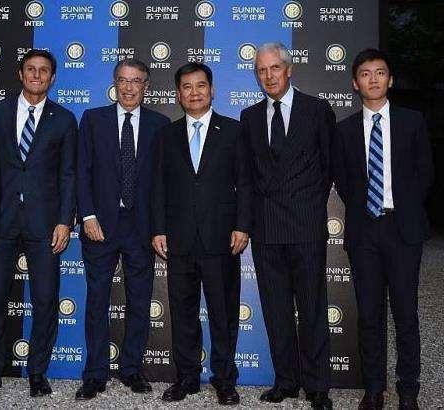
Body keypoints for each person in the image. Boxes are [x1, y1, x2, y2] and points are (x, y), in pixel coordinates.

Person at [332, 49, 433, 410]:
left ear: (390, 80)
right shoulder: (343, 130)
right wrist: (367, 208)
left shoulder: (412, 121)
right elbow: (344, 180)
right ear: (355, 83)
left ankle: (408, 390)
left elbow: (425, 173)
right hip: (364, 232)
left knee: (405, 313)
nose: (373, 79)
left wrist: (402, 207)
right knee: (370, 315)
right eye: (365, 73)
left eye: (379, 72)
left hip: (403, 230)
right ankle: (374, 388)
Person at [239, 42, 335, 410]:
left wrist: (306, 203)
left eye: (275, 68)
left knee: (312, 308)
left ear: (289, 69)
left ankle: (318, 386)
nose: (268, 76)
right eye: (261, 70)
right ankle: (286, 381)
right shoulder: (249, 117)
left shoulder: (317, 110)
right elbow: (247, 177)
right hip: (266, 230)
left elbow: (328, 167)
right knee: (276, 309)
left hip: (306, 226)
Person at [0, 49, 77, 398]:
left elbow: (68, 175)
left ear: (53, 77)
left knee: (46, 300)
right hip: (0, 223)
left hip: (45, 225)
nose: (37, 75)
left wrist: (64, 222)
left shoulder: (64, 120)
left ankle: (37, 372)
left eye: (44, 70)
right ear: (20, 74)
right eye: (30, 69)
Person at [152, 62, 252, 406]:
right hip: (178, 239)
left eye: (200, 85)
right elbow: (158, 186)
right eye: (187, 87)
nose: (194, 93)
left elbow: (246, 183)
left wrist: (242, 225)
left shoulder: (234, 131)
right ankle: (186, 378)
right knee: (183, 313)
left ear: (212, 90)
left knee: (223, 314)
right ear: (178, 95)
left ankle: (224, 380)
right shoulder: (166, 135)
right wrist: (158, 229)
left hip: (222, 239)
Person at [75, 59, 170, 400]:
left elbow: (161, 183)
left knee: (140, 301)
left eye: (136, 81)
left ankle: (132, 369)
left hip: (141, 228)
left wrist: (159, 227)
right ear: (114, 83)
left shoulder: (160, 124)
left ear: (147, 85)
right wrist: (87, 216)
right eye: (123, 80)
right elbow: (81, 171)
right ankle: (95, 373)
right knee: (97, 300)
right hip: (100, 225)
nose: (129, 87)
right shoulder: (92, 119)